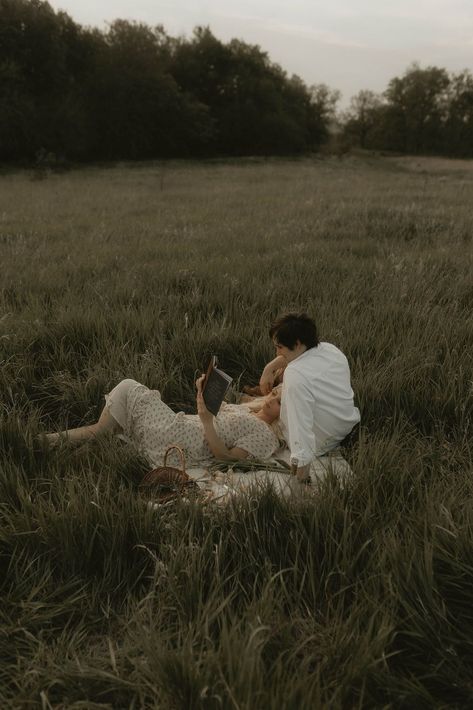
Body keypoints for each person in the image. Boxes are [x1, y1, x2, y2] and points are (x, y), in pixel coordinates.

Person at [42, 375, 283, 468]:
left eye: (281, 402)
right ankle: (52, 449)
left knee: (128, 390)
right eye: (276, 393)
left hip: (177, 438)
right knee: (109, 427)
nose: (273, 397)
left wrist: (207, 422)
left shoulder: (266, 436)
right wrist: (203, 391)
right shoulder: (248, 409)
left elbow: (228, 459)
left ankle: (45, 444)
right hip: (179, 426)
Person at [259, 312, 360, 482]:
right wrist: (268, 369)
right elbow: (296, 357)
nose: (277, 353)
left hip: (321, 441)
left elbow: (301, 428)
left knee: (268, 407)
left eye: (279, 347)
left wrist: (301, 478)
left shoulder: (296, 376)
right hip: (345, 424)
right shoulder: (329, 349)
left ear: (297, 344)